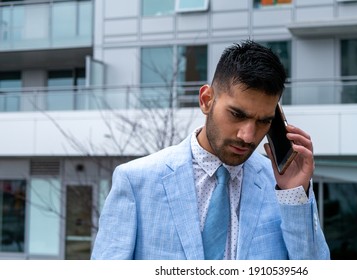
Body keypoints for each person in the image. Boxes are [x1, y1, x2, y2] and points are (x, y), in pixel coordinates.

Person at [91, 40, 330, 260]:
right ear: (206, 100)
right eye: (237, 114)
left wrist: (294, 196)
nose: (247, 135)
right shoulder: (136, 181)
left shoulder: (283, 188)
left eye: (263, 121)